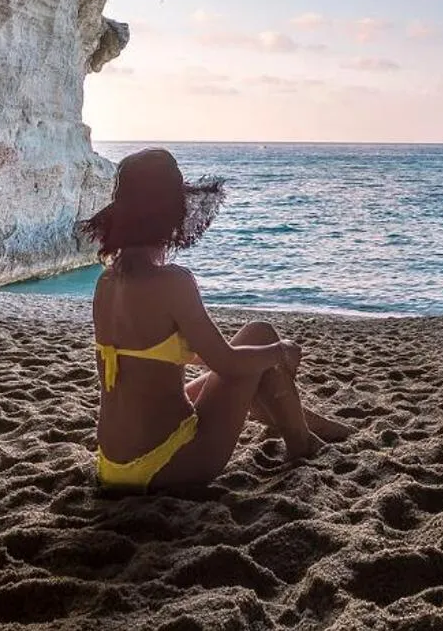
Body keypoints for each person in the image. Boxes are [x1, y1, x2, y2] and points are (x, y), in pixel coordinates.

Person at [82, 147, 352, 490]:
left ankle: (309, 425)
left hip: (113, 467)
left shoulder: (106, 282)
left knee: (251, 361)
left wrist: (249, 366)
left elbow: (153, 356)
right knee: (260, 334)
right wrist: (281, 351)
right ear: (170, 212)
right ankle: (302, 443)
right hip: (167, 463)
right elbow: (227, 364)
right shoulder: (173, 282)